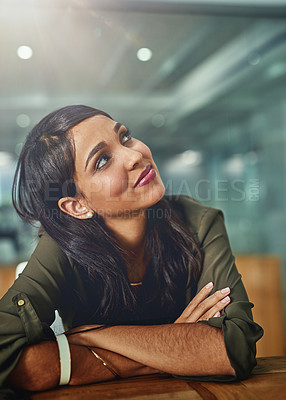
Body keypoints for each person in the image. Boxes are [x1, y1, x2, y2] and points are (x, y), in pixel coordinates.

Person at [0, 105, 263, 393]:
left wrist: (96, 337)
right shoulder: (62, 248)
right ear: (77, 205)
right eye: (101, 160)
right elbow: (18, 364)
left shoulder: (198, 221)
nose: (135, 155)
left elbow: (232, 350)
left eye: (125, 137)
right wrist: (177, 342)